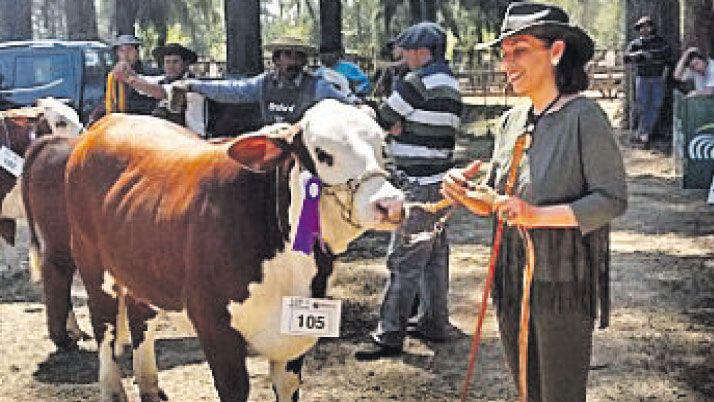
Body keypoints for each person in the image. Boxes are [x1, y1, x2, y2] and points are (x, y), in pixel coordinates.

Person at [442, 3, 627, 401]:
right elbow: (498, 202)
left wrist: (537, 215)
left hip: (562, 283)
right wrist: (467, 193)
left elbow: (611, 200)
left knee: (559, 395)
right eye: (504, 54)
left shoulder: (585, 116)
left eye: (520, 50)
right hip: (512, 281)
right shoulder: (510, 122)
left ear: (556, 51)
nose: (507, 63)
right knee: (527, 392)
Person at [355, 21, 463, 360]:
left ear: (424, 52)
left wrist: (393, 126)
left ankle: (389, 334)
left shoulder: (416, 83)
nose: (401, 56)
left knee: (404, 259)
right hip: (441, 182)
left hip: (416, 185)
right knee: (433, 257)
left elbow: (383, 119)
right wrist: (402, 125)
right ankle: (433, 321)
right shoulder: (450, 83)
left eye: (407, 50)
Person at [168, 37, 353, 125]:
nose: (293, 62)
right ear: (276, 60)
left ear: (304, 61)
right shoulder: (263, 84)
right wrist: (193, 85)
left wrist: (362, 108)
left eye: (298, 57)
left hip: (304, 152)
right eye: (288, 55)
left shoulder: (318, 87)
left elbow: (348, 105)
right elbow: (233, 90)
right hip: (271, 146)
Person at [113, 42, 199, 125]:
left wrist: (130, 80)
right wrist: (125, 69)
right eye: (167, 62)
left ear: (184, 64)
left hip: (191, 134)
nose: (171, 66)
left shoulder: (191, 83)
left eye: (175, 62)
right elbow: (144, 80)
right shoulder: (163, 79)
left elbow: (161, 92)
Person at [624, 16, 672, 146]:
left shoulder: (661, 42)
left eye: (646, 26)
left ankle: (643, 132)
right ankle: (643, 135)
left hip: (658, 78)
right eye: (641, 27)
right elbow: (626, 58)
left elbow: (668, 61)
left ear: (652, 27)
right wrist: (639, 54)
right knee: (643, 106)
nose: (644, 29)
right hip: (642, 78)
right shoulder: (635, 44)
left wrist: (664, 76)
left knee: (656, 105)